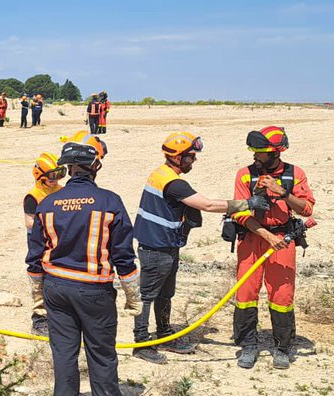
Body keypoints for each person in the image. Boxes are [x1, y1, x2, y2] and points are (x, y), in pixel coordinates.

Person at [26, 131, 141, 396]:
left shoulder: (48, 204)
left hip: (56, 289)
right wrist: (132, 294)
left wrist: (38, 293)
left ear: (68, 169)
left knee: (63, 352)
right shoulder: (109, 202)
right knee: (100, 352)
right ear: (95, 167)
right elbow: (123, 254)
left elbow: (35, 254)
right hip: (94, 291)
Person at [131, 132, 253, 364]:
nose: (193, 161)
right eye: (190, 157)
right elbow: (206, 204)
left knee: (165, 293)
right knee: (147, 296)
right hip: (156, 248)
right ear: (177, 157)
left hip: (165, 244)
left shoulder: (162, 173)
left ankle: (165, 334)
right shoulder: (173, 182)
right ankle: (141, 343)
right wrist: (247, 204)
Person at [229, 126, 316, 369]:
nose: (255, 156)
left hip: (283, 241)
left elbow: (306, 209)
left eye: (261, 152)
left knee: (282, 295)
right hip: (254, 238)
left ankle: (282, 347)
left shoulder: (295, 174)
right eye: (254, 151)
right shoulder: (245, 175)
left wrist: (282, 193)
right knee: (246, 293)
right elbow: (239, 214)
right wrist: (266, 234)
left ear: (276, 153)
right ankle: (248, 345)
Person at [23, 151, 66, 333]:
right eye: (52, 177)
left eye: (59, 175)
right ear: (39, 176)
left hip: (58, 239)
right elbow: (30, 221)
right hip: (38, 242)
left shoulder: (62, 191)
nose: (55, 180)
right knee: (39, 277)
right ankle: (39, 318)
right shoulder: (33, 196)